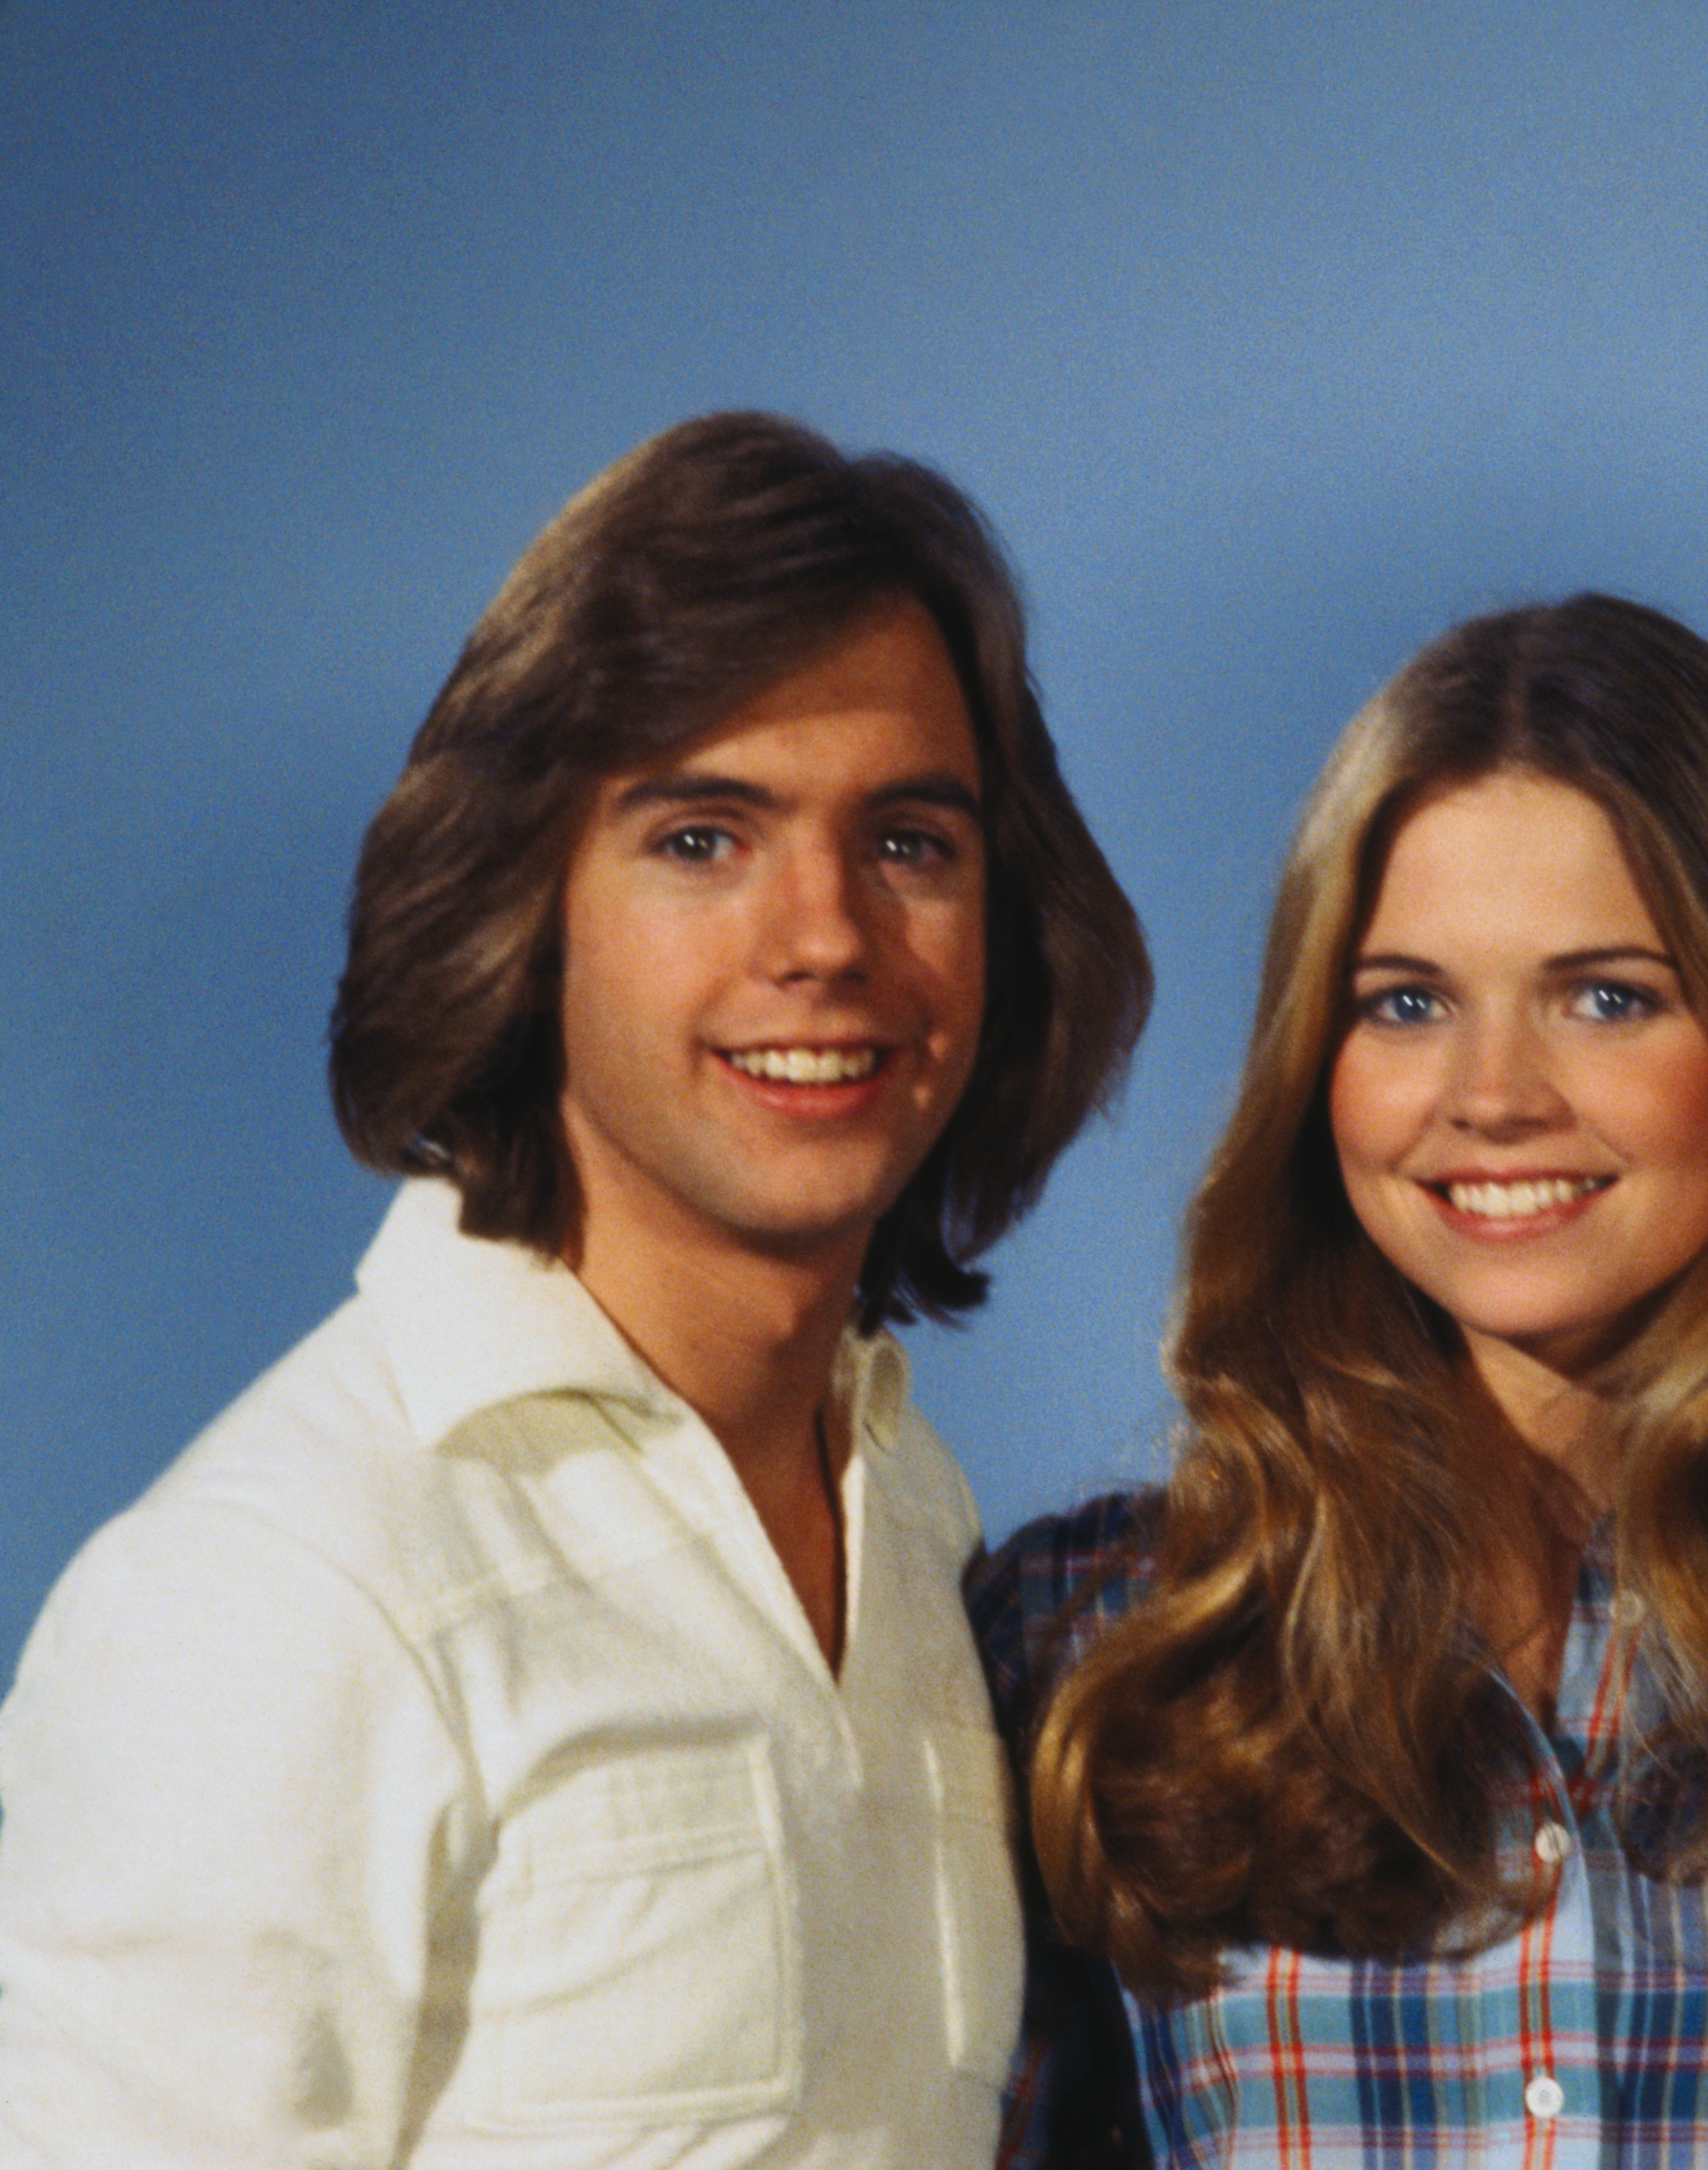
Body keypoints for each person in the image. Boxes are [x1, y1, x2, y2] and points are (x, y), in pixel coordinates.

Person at [0, 411, 1151, 2166]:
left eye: (910, 841)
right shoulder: (284, 1587)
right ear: (522, 910)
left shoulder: (912, 1525)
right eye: (703, 839)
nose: (827, 936)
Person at [973, 593, 1708, 2169]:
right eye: (1407, 1004)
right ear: (1316, 1061)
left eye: (1608, 997)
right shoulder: (1098, 1639)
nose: (1494, 1097)